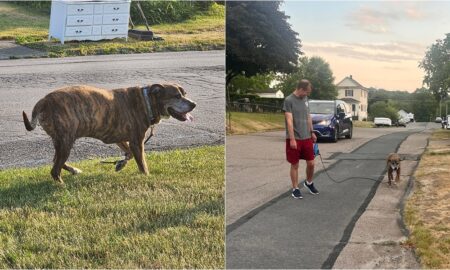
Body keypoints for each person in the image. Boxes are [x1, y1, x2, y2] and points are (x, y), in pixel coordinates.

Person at [282, 79, 319, 199]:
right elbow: (289, 120)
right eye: (306, 92)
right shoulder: (289, 100)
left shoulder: (305, 100)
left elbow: (308, 116)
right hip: (295, 138)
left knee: (311, 163)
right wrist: (292, 139)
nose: (307, 94)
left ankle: (309, 183)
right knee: (295, 164)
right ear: (301, 89)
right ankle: (295, 188)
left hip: (307, 136)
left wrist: (312, 131)